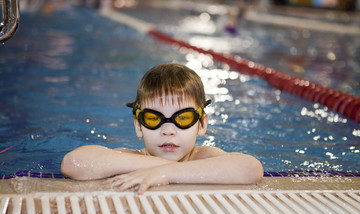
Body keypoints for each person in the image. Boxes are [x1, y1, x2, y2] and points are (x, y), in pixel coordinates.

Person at [61, 63, 263, 195]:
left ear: (201, 124)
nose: (168, 130)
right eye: (153, 118)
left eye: (182, 118)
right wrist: (154, 165)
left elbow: (251, 168)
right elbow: (74, 163)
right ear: (139, 126)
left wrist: (166, 173)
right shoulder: (130, 156)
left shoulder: (203, 156)